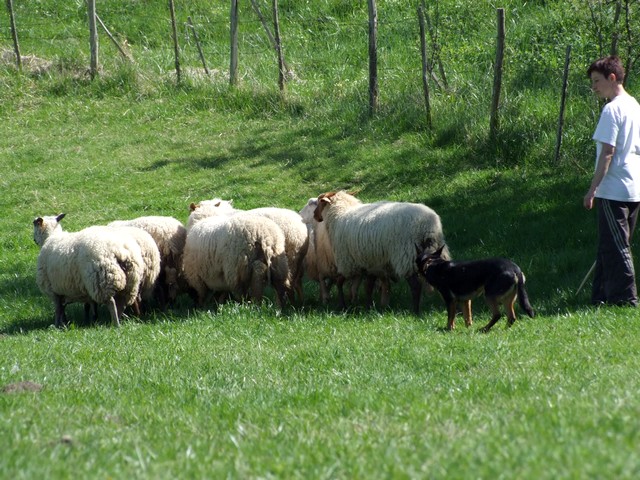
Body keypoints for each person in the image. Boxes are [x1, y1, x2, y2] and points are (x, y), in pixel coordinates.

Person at [584, 55, 640, 306]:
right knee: (611, 245)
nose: (594, 86)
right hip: (633, 187)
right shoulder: (635, 106)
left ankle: (627, 299)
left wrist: (592, 189)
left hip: (614, 190)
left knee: (617, 249)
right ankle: (601, 298)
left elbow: (608, 152)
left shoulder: (612, 109)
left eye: (597, 81)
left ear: (612, 78)